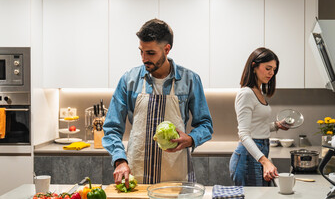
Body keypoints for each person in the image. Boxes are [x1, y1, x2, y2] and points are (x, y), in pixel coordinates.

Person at [103, 18, 213, 187]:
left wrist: (190, 139)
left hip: (176, 175)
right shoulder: (129, 80)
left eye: (151, 53)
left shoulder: (190, 80)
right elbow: (111, 127)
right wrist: (120, 160)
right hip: (137, 176)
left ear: (167, 49)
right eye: (141, 51)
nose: (144, 58)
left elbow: (205, 124)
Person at [229, 47, 289, 187]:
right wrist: (265, 161)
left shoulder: (258, 92)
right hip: (247, 158)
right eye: (268, 68)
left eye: (274, 70)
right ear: (254, 66)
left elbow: (256, 126)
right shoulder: (246, 94)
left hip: (258, 153)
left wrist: (276, 125)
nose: (271, 73)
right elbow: (244, 134)